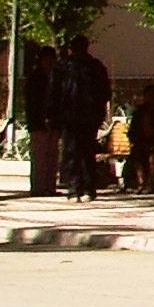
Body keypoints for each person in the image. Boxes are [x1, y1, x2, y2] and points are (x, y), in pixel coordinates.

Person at [54, 35, 112, 200]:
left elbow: (54, 92)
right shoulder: (95, 67)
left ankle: (75, 187)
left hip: (72, 116)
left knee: (72, 151)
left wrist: (52, 113)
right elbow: (105, 92)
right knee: (86, 151)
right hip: (87, 115)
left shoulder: (63, 68)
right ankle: (86, 187)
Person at [23, 41, 59, 197]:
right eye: (47, 59)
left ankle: (50, 186)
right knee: (39, 157)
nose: (50, 62)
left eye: (52, 59)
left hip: (54, 122)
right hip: (38, 124)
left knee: (52, 156)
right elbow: (33, 102)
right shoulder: (35, 79)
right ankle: (38, 187)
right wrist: (42, 117)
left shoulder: (56, 78)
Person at [126, 80, 154, 194]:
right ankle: (141, 182)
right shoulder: (140, 111)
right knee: (136, 155)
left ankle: (150, 183)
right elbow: (134, 129)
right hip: (142, 141)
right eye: (149, 95)